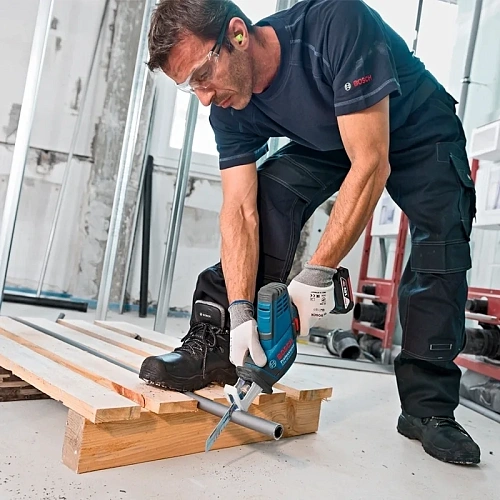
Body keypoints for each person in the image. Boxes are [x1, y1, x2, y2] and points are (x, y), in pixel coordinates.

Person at [139, 0, 481, 465]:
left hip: (417, 126)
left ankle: (428, 410)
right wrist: (240, 311)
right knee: (269, 198)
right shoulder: (228, 106)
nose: (202, 97)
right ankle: (221, 345)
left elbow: (371, 162)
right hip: (330, 135)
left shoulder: (336, 26)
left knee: (440, 246)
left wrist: (316, 276)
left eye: (202, 75)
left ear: (237, 35)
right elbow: (239, 212)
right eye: (189, 87)